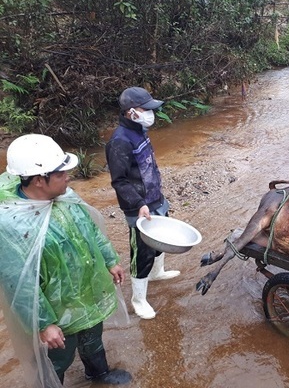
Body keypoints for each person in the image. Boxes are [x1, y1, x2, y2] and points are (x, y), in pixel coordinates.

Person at [0, 134, 132, 386]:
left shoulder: (64, 197)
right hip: (55, 310)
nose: (68, 177)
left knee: (93, 338)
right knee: (57, 358)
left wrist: (110, 260)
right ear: (39, 180)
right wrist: (44, 323)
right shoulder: (12, 224)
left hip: (87, 292)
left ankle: (98, 373)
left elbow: (91, 231)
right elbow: (19, 283)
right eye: (61, 174)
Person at [105, 87, 179, 320]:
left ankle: (157, 273)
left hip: (154, 198)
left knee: (161, 240)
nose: (150, 113)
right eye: (145, 109)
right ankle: (138, 299)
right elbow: (119, 181)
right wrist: (138, 203)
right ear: (130, 112)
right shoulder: (119, 142)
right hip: (138, 207)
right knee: (142, 252)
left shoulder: (140, 130)